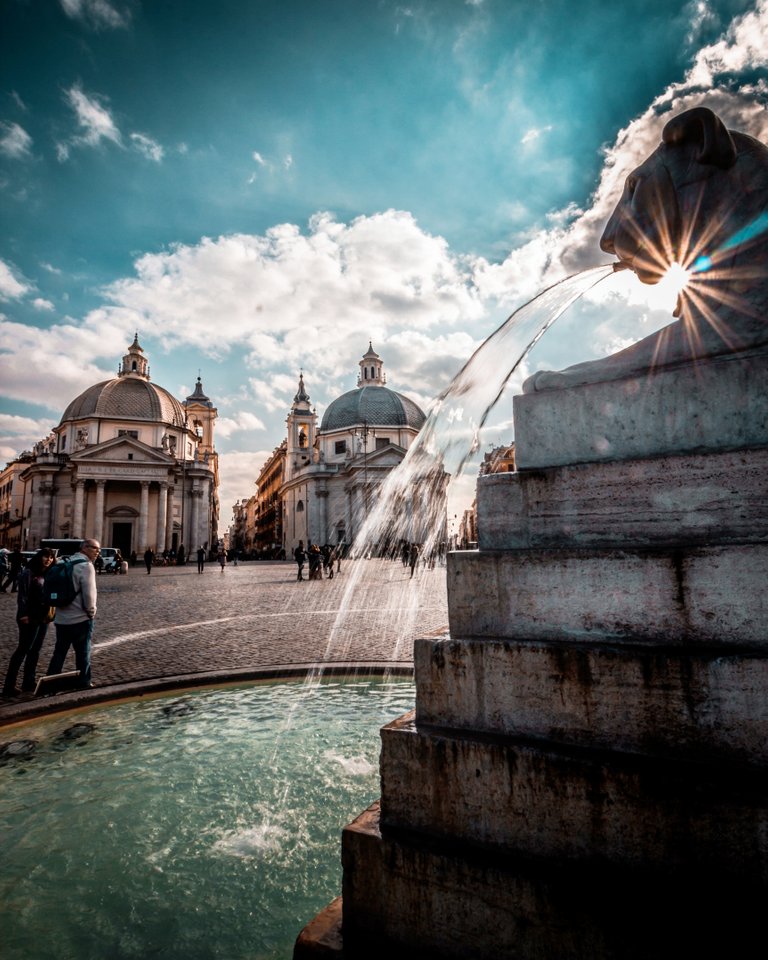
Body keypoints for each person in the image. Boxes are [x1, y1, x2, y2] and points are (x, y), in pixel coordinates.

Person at [45, 538, 100, 689]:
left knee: (59, 652)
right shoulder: (86, 566)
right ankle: (84, 682)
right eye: (95, 549)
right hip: (80, 619)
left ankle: (50, 683)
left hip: (62, 619)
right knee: (83, 653)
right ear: (85, 548)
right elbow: (89, 595)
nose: (98, 552)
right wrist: (91, 613)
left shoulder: (63, 562)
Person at [2, 547, 56, 696]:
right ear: (39, 557)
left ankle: (28, 681)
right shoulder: (28, 573)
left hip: (43, 617)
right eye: (46, 556)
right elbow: (22, 596)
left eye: (51, 557)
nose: (49, 560)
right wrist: (23, 614)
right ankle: (9, 686)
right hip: (29, 617)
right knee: (22, 650)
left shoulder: (47, 574)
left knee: (35, 651)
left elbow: (50, 594)